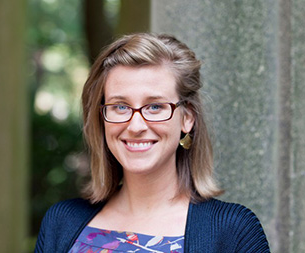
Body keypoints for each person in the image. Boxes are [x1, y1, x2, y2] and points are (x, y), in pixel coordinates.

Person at [34, 33, 270, 252]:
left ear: (187, 118)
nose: (136, 126)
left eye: (155, 106)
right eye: (120, 107)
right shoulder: (60, 222)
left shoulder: (233, 232)